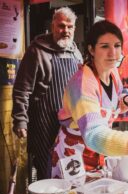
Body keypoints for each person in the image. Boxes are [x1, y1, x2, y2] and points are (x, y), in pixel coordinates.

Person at [51, 20, 128, 178]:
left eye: (117, 46)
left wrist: (125, 99)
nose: (113, 53)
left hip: (97, 151)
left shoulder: (112, 71)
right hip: (73, 153)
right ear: (91, 49)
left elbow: (118, 92)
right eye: (105, 46)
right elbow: (93, 133)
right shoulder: (82, 83)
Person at [12, 7, 82, 181]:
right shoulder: (36, 51)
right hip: (44, 125)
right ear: (53, 26)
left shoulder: (76, 53)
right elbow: (22, 89)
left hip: (69, 127)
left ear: (74, 28)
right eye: (61, 26)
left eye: (70, 26)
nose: (65, 31)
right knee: (46, 170)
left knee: (69, 170)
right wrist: (20, 119)